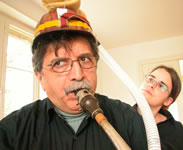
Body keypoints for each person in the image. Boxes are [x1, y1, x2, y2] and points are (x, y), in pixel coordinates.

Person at [0, 8, 149, 150]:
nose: (78, 75)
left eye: (84, 59)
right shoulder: (11, 131)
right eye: (59, 63)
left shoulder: (128, 118)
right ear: (40, 78)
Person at [133, 65, 183, 150]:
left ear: (168, 101)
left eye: (161, 86)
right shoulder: (120, 115)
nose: (151, 85)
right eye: (150, 79)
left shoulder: (178, 133)